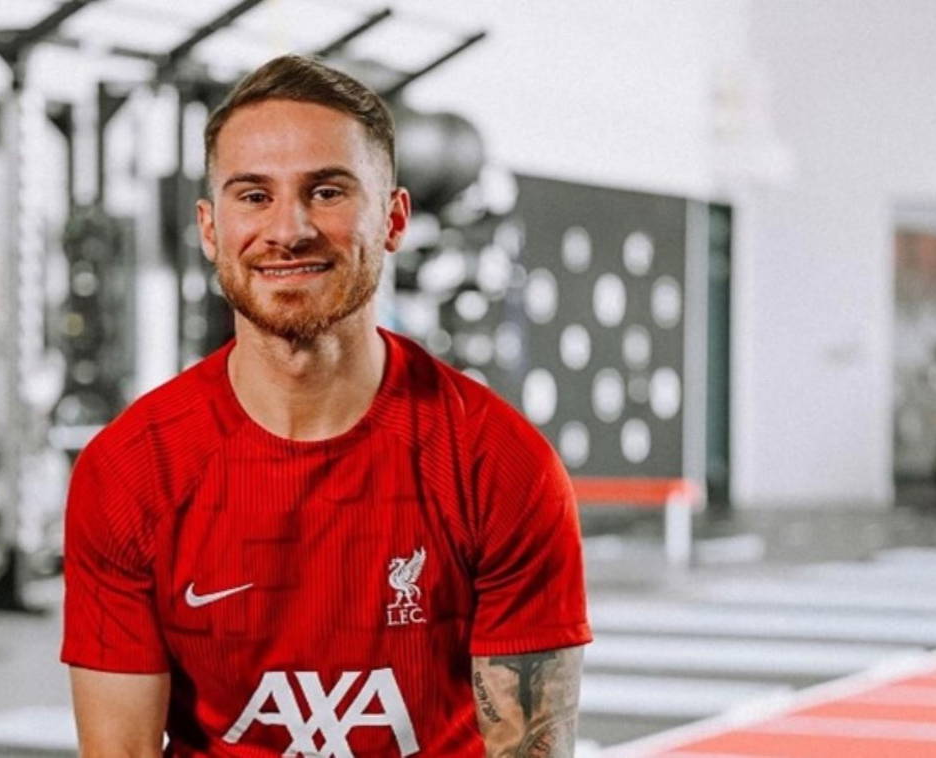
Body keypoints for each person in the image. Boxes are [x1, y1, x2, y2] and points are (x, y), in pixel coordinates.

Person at [62, 54, 591, 757]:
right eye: (254, 196)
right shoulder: (130, 470)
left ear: (394, 219)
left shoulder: (500, 463)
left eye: (327, 192)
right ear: (210, 229)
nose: (289, 229)